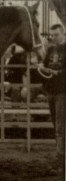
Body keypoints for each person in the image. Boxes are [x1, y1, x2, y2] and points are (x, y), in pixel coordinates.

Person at [39, 24, 66, 168]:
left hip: (63, 91)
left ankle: (60, 158)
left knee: (60, 126)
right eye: (52, 35)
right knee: (56, 124)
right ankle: (61, 154)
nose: (53, 37)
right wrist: (41, 67)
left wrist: (58, 73)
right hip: (51, 90)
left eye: (56, 35)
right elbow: (43, 64)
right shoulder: (50, 49)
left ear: (63, 33)